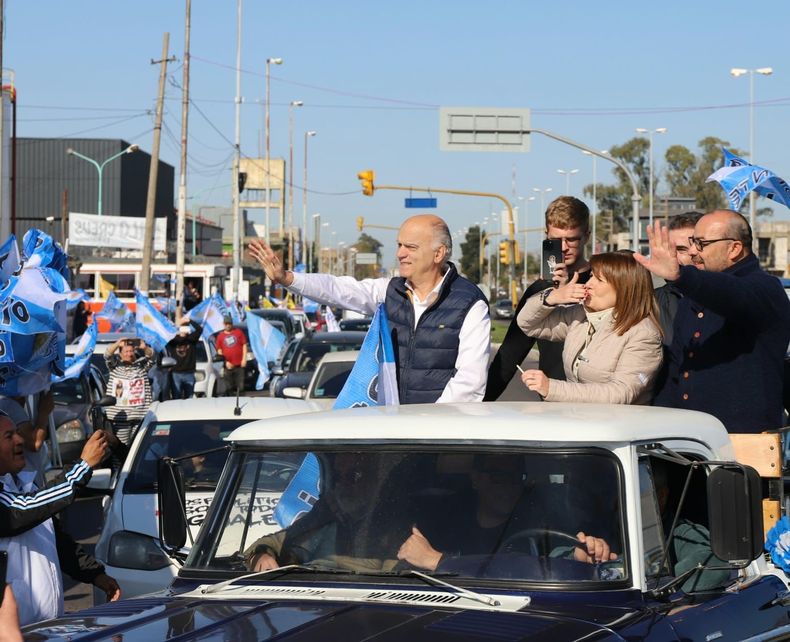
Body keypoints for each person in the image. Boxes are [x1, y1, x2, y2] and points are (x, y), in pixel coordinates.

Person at [249, 214, 490, 403]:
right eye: (399, 245)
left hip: (441, 439)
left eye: (411, 247)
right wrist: (287, 278)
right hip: (391, 429)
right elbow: (337, 289)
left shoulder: (469, 303)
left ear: (439, 253)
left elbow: (470, 382)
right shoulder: (391, 291)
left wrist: (425, 428)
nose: (400, 254)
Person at [634, 213, 790, 432]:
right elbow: (678, 369)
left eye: (701, 244)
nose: (693, 251)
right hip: (690, 440)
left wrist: (681, 276)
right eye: (692, 243)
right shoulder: (694, 296)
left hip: (742, 441)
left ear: (734, 248)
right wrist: (661, 428)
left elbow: (733, 294)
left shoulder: (765, 289)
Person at [396, 455, 616, 573]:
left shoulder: (539, 523)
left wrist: (577, 556)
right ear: (476, 479)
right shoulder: (446, 521)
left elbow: (533, 567)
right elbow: (408, 565)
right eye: (499, 477)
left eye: (516, 477)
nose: (509, 487)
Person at [0, 412, 120, 626]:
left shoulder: (23, 485)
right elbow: (22, 510)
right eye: (9, 436)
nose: (19, 440)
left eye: (18, 433)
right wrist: (82, 467)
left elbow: (56, 541)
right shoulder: (17, 500)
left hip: (46, 629)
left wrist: (95, 574)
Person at [516, 252, 663, 404]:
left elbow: (621, 393)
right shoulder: (580, 315)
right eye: (592, 275)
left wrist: (551, 388)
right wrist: (553, 297)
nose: (589, 283)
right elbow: (527, 323)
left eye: (599, 279)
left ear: (625, 288)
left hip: (616, 425)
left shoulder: (643, 334)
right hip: (579, 420)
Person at [485, 196, 593, 401]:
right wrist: (478, 405)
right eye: (556, 240)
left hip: (598, 404)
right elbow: (509, 355)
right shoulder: (539, 291)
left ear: (586, 236)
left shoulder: (604, 281)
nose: (563, 248)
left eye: (571, 239)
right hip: (552, 407)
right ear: (546, 235)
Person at [654, 211, 703, 346]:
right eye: (680, 249)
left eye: (698, 245)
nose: (693, 253)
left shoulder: (734, 297)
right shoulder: (652, 303)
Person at [105, 338, 154, 446]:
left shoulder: (141, 366)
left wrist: (144, 347)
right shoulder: (115, 366)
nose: (129, 354)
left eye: (131, 351)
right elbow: (107, 355)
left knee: (137, 447)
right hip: (121, 418)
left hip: (140, 416)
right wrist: (118, 343)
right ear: (121, 354)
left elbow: (152, 357)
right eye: (126, 352)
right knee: (121, 447)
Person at [167, 317, 202, 400]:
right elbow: (166, 332)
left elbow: (199, 329)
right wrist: (176, 327)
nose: (183, 330)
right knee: (176, 397)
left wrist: (190, 321)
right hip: (176, 373)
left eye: (185, 327)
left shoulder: (191, 339)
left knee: (189, 397)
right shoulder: (173, 341)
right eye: (182, 328)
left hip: (189, 373)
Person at [214, 315, 247, 397]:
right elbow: (219, 350)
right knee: (229, 388)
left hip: (239, 365)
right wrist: (225, 362)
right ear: (223, 324)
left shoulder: (238, 332)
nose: (228, 325)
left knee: (241, 387)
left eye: (229, 323)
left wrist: (244, 359)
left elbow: (244, 345)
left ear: (232, 324)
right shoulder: (220, 336)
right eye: (226, 324)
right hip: (228, 366)